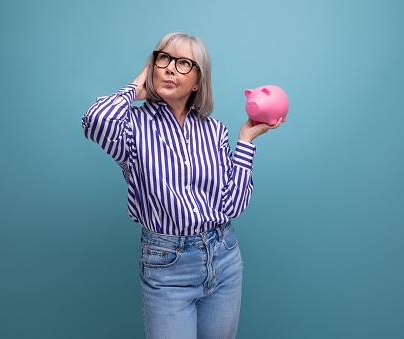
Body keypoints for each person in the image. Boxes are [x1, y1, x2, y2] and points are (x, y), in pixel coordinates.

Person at [82, 32, 282, 339]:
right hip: (167, 265)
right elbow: (95, 120)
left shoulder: (214, 131)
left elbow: (233, 206)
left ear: (199, 81)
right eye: (163, 58)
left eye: (184, 63)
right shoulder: (132, 127)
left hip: (224, 254)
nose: (171, 68)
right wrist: (137, 86)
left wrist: (245, 141)